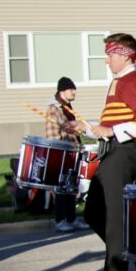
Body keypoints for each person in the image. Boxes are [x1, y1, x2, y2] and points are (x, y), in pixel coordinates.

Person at [64, 33, 136, 271]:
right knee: (94, 212)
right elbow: (109, 127)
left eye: (111, 54)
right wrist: (85, 127)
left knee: (115, 219)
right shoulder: (119, 81)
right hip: (112, 151)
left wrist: (111, 130)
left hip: (124, 154)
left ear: (125, 54)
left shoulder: (133, 80)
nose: (107, 60)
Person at [46, 77, 91, 232]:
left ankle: (71, 219)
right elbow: (52, 134)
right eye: (71, 89)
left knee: (71, 187)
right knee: (61, 187)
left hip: (72, 153)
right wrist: (63, 145)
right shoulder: (55, 109)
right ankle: (60, 220)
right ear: (62, 91)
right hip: (61, 154)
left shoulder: (67, 107)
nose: (74, 91)